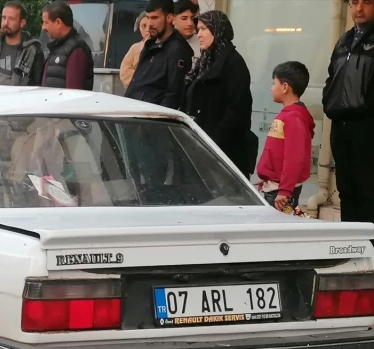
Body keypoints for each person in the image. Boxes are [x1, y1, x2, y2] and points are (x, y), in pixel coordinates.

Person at [181, 11, 255, 177]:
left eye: (204, 29)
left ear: (218, 29)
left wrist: (212, 141)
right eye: (197, 29)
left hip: (221, 153)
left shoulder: (233, 63)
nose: (198, 34)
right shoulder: (205, 62)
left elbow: (237, 110)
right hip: (198, 146)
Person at [323, 0, 374, 225]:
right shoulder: (344, 40)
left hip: (367, 125)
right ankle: (350, 246)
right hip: (341, 125)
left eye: (367, 2)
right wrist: (328, 101)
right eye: (354, 2)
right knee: (346, 190)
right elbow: (331, 76)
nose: (359, 8)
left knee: (367, 192)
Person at [256, 62, 315, 210]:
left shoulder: (294, 117)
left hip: (281, 193)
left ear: (285, 87)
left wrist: (285, 190)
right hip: (276, 187)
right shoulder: (287, 115)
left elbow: (294, 157)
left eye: (274, 83)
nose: (271, 87)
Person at [124, 0, 193, 108]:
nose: (150, 23)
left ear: (170, 18)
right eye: (148, 17)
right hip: (132, 113)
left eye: (155, 18)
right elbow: (136, 83)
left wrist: (157, 122)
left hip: (151, 119)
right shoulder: (150, 44)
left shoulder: (177, 49)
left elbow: (173, 94)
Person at [0, 1, 45, 86]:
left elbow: (38, 85)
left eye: (11, 19)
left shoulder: (32, 51)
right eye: (4, 18)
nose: (6, 23)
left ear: (22, 23)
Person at [41, 0, 94, 90]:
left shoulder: (76, 50)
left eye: (46, 23)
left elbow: (73, 92)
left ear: (58, 23)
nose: (43, 27)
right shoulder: (57, 47)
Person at [119, 12, 149, 88]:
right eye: (143, 26)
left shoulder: (165, 46)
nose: (147, 30)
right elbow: (124, 72)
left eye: (150, 26)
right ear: (139, 28)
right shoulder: (135, 48)